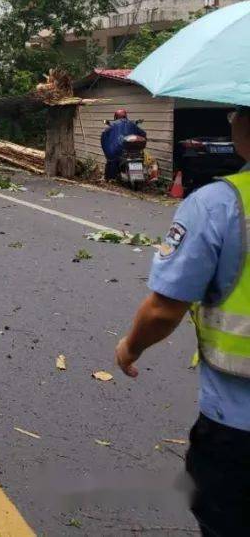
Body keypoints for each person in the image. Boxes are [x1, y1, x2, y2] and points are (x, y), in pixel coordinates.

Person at [116, 106, 250, 536]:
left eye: (236, 114)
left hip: (237, 428)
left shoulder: (218, 204)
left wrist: (130, 347)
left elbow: (163, 309)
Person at [101, 109, 145, 181]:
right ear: (125, 116)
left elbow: (104, 137)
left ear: (116, 116)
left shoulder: (112, 125)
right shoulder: (132, 124)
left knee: (111, 161)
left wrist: (107, 151)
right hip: (132, 151)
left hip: (118, 151)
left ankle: (111, 179)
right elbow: (143, 134)